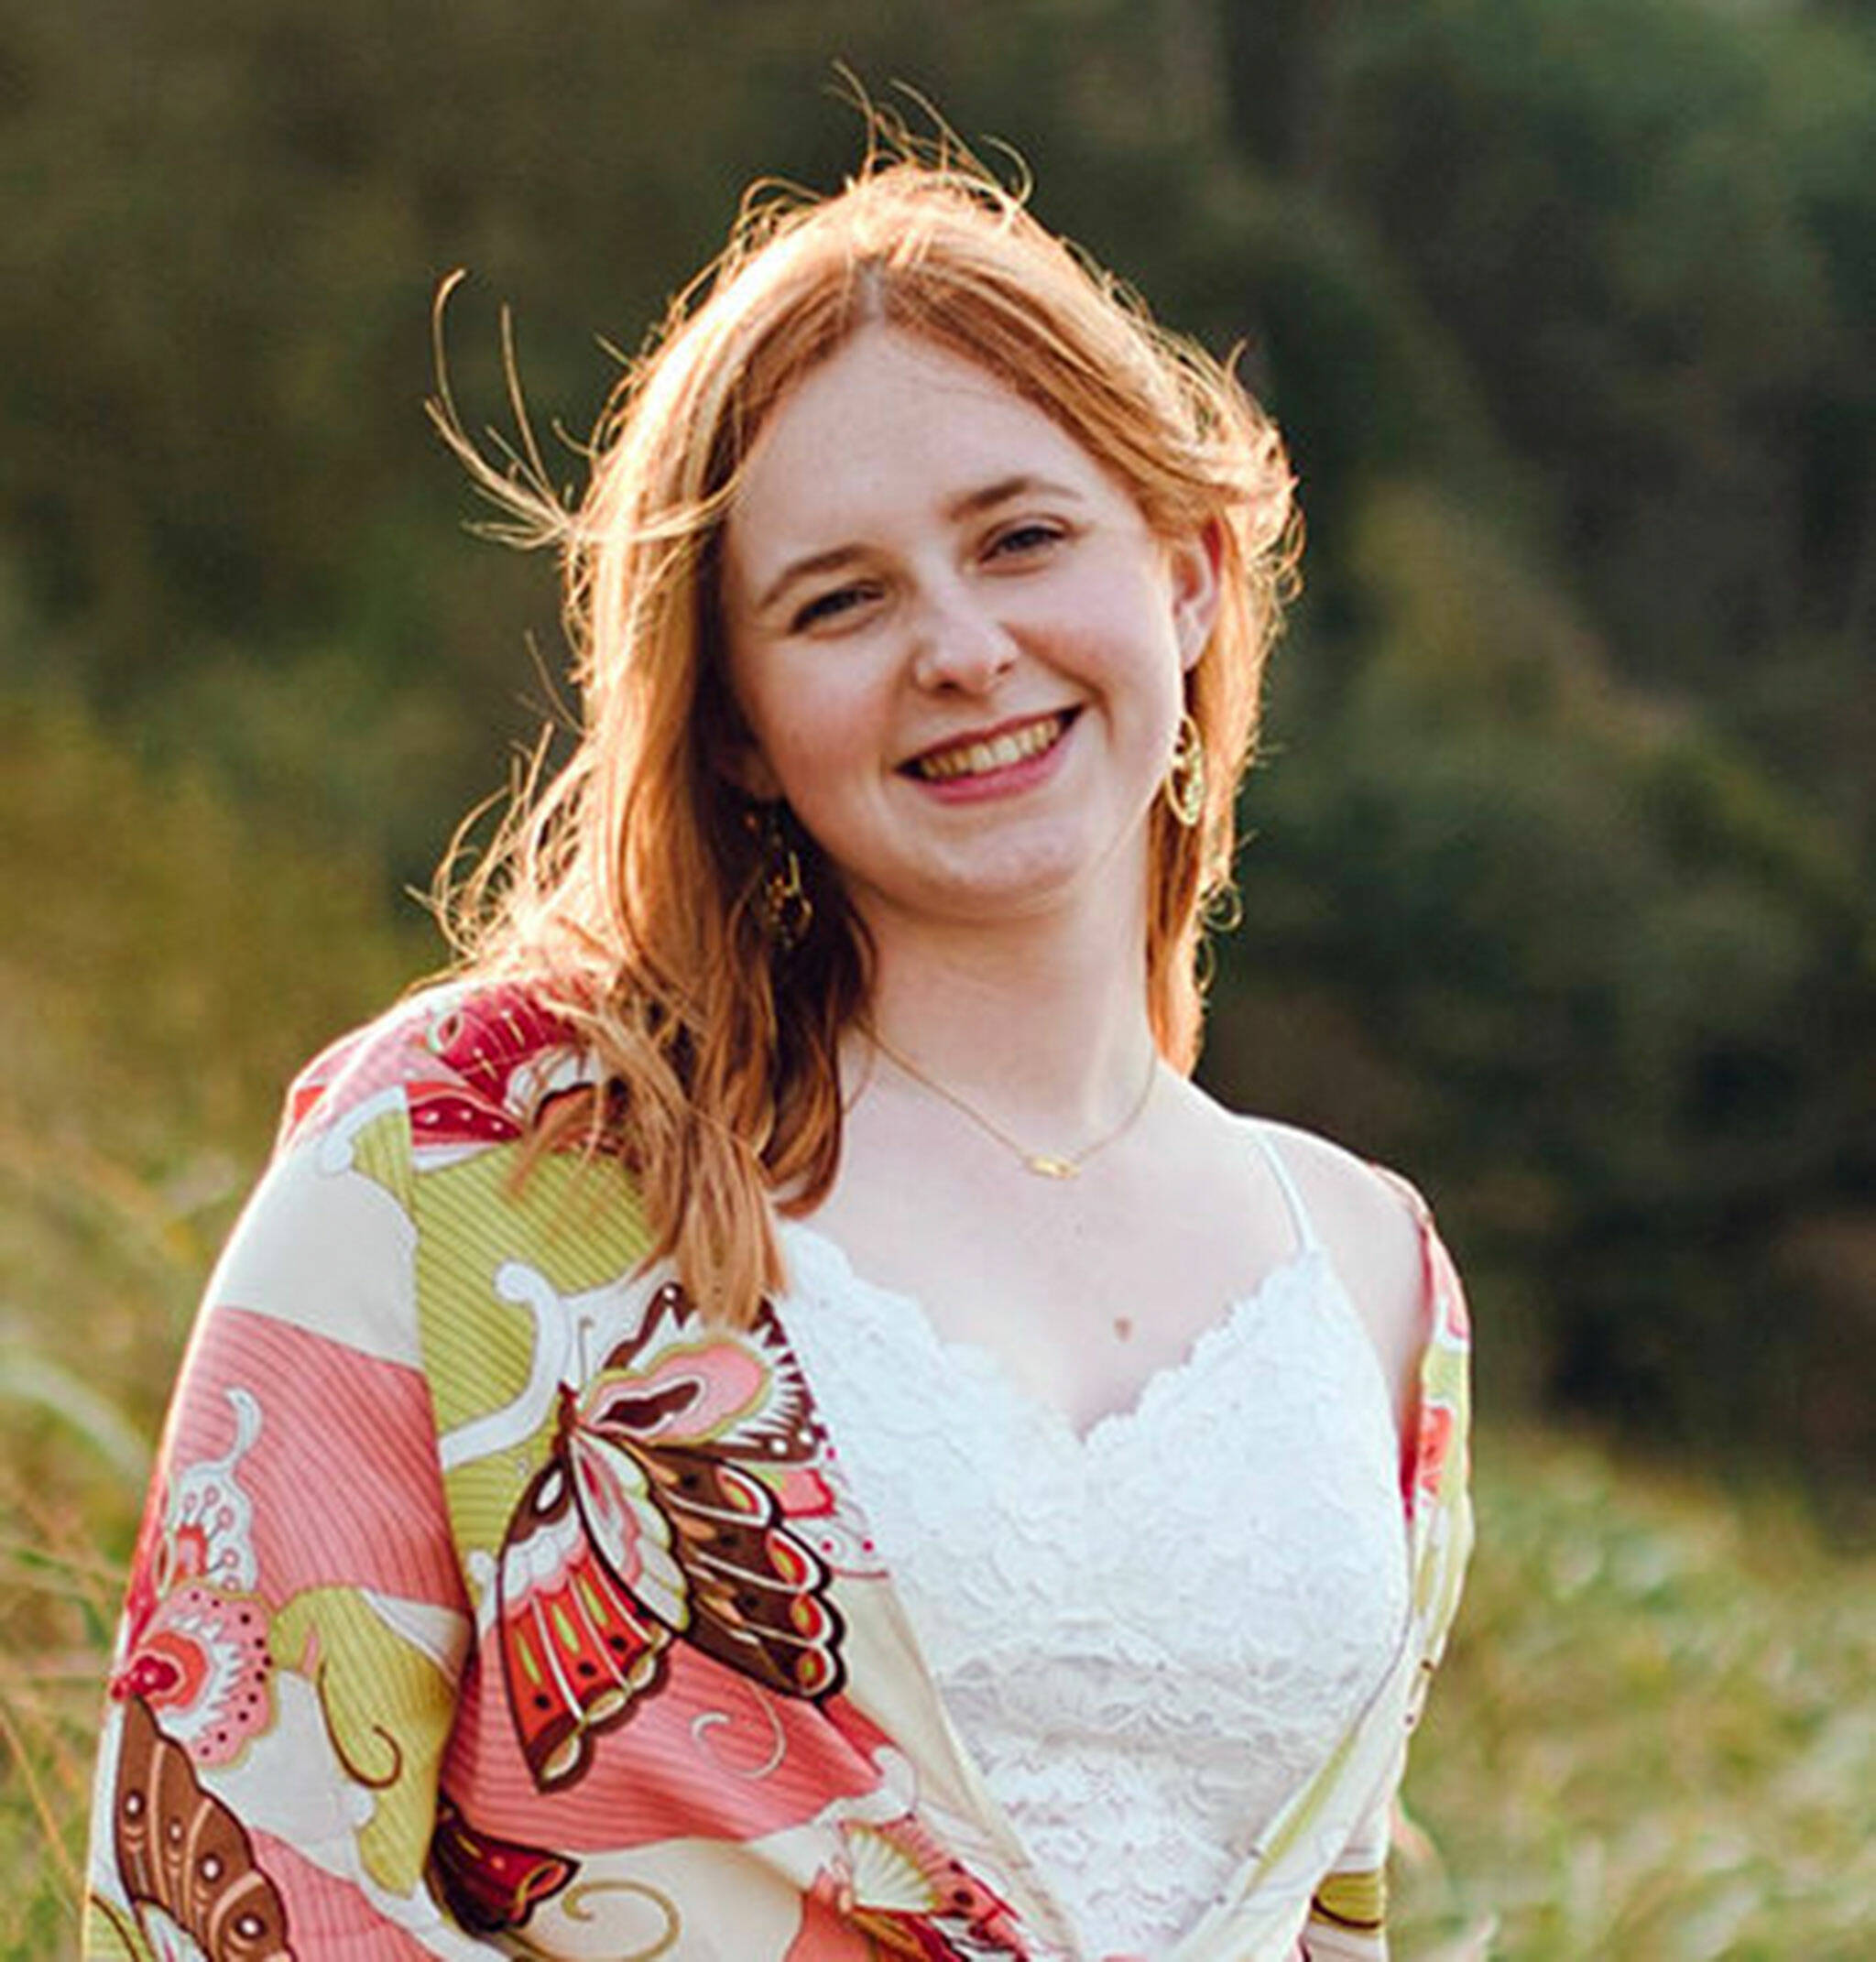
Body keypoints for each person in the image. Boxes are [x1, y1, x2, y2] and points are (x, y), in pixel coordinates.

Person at [83, 128, 1471, 1962]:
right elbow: (235, 1871)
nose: (961, 647)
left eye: (1023, 538)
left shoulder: (1372, 1267)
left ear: (1190, 573)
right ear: (736, 723)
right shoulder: (474, 1154)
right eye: (841, 600)